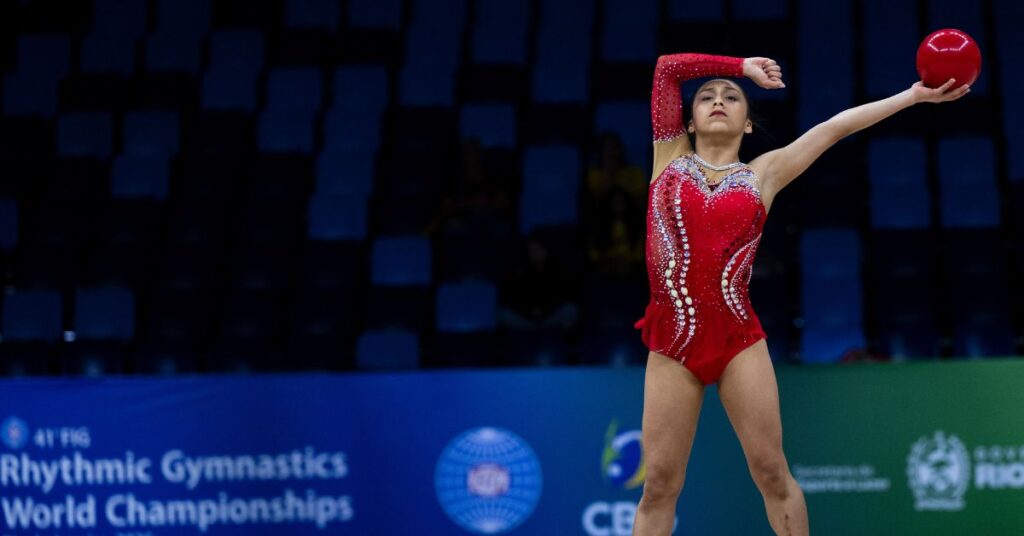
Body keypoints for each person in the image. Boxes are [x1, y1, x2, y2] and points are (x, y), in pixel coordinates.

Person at [630, 52, 969, 536]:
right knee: (660, 483)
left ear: (749, 125)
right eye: (706, 96)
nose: (719, 100)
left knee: (770, 471)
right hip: (672, 343)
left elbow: (834, 128)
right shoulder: (669, 158)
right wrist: (739, 67)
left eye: (731, 98)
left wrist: (912, 96)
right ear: (688, 120)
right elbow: (666, 69)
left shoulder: (763, 175)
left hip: (737, 340)